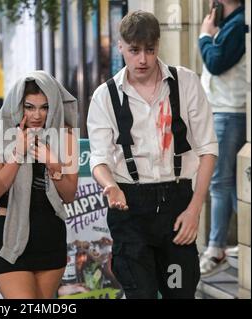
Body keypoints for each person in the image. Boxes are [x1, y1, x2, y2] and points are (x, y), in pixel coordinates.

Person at [87, 11, 218, 299]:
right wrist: (110, 186)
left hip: (178, 205)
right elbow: (99, 158)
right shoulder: (104, 96)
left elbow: (208, 149)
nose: (142, 59)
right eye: (134, 51)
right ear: (120, 46)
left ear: (158, 45)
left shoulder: (185, 83)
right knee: (141, 294)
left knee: (179, 293)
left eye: (149, 49)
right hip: (129, 209)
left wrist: (195, 209)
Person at [0, 70, 79, 298]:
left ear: (54, 106)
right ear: (19, 106)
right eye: (30, 107)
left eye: (44, 107)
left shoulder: (65, 135)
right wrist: (18, 154)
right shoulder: (0, 133)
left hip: (49, 236)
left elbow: (69, 195)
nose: (37, 115)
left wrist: (53, 165)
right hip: (9, 235)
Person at [198, 0, 247, 277]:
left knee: (219, 182)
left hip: (230, 111)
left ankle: (216, 249)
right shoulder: (228, 22)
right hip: (222, 109)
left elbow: (216, 63)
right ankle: (242, 238)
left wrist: (205, 36)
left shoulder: (239, 24)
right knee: (229, 184)